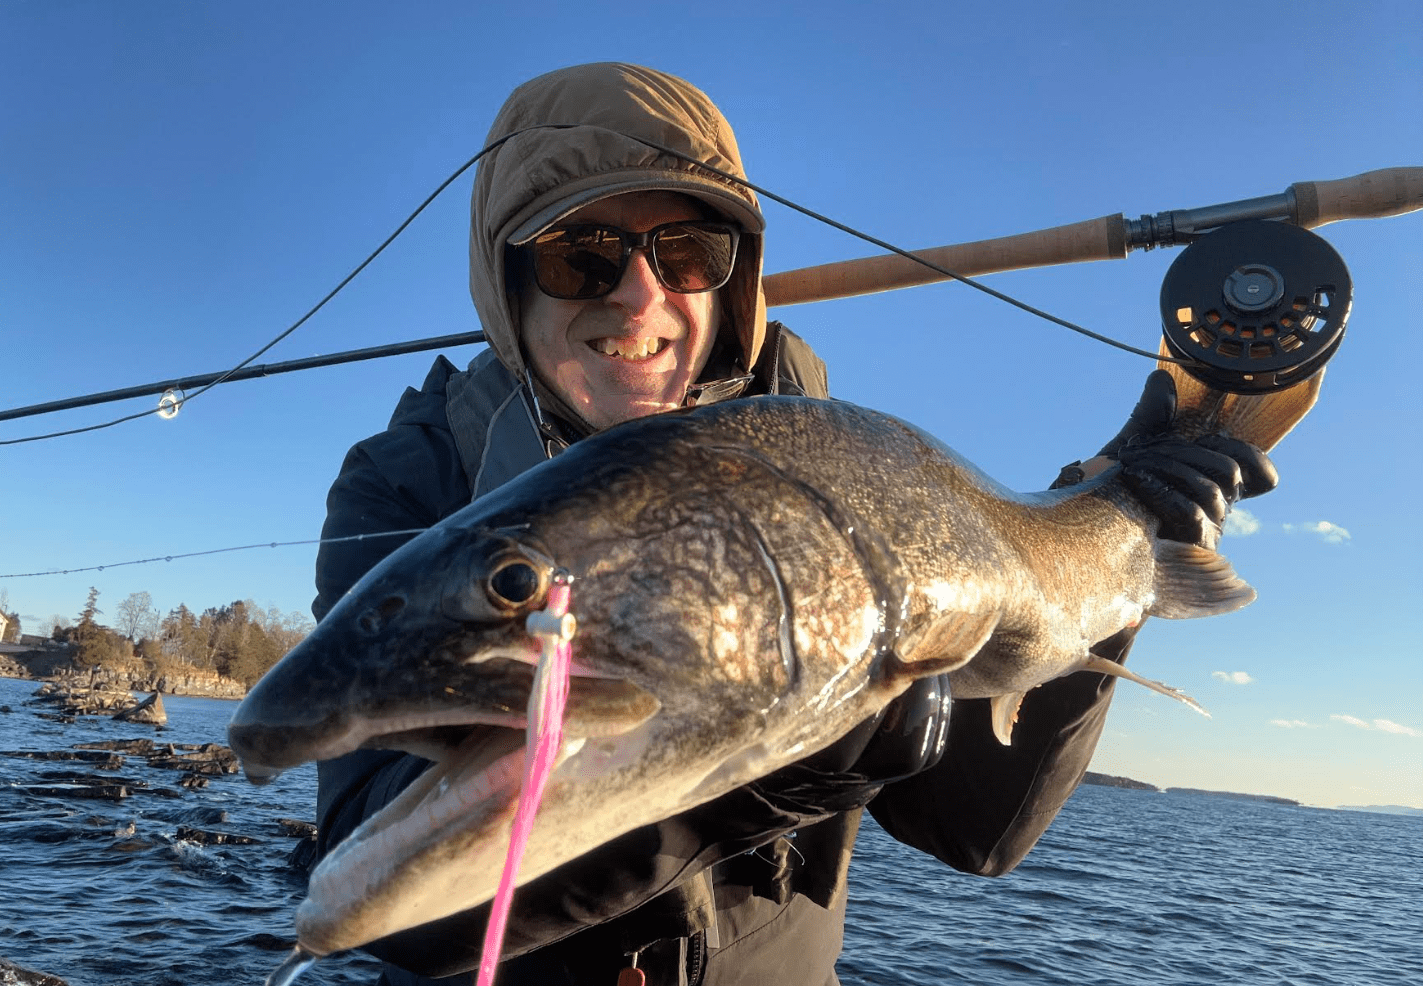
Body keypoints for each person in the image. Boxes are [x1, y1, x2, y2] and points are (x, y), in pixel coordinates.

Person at [310, 63, 1275, 986]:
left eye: (688, 251)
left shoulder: (851, 472)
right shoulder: (412, 479)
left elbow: (979, 833)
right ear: (506, 287)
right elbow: (395, 904)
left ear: (733, 282)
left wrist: (1117, 525)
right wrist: (768, 786)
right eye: (579, 255)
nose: (641, 297)